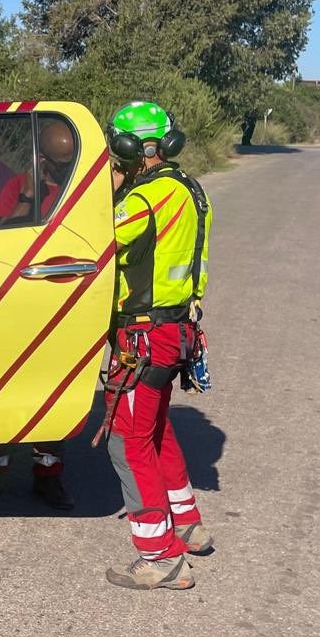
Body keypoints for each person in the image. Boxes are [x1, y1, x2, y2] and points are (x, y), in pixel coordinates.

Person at [100, 100, 215, 590]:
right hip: (174, 332)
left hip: (142, 336)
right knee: (155, 429)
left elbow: (96, 240)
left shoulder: (144, 199)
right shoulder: (189, 188)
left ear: (126, 147)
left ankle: (159, 554)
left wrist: (107, 193)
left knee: (126, 439)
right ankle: (187, 524)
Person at [0, 119, 78, 509]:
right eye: (57, 163)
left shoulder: (78, 192)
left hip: (61, 304)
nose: (62, 170)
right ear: (41, 158)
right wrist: (28, 198)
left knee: (53, 396)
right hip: (14, 308)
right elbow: (1, 242)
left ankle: (48, 475)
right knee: (1, 392)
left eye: (69, 164)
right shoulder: (17, 187)